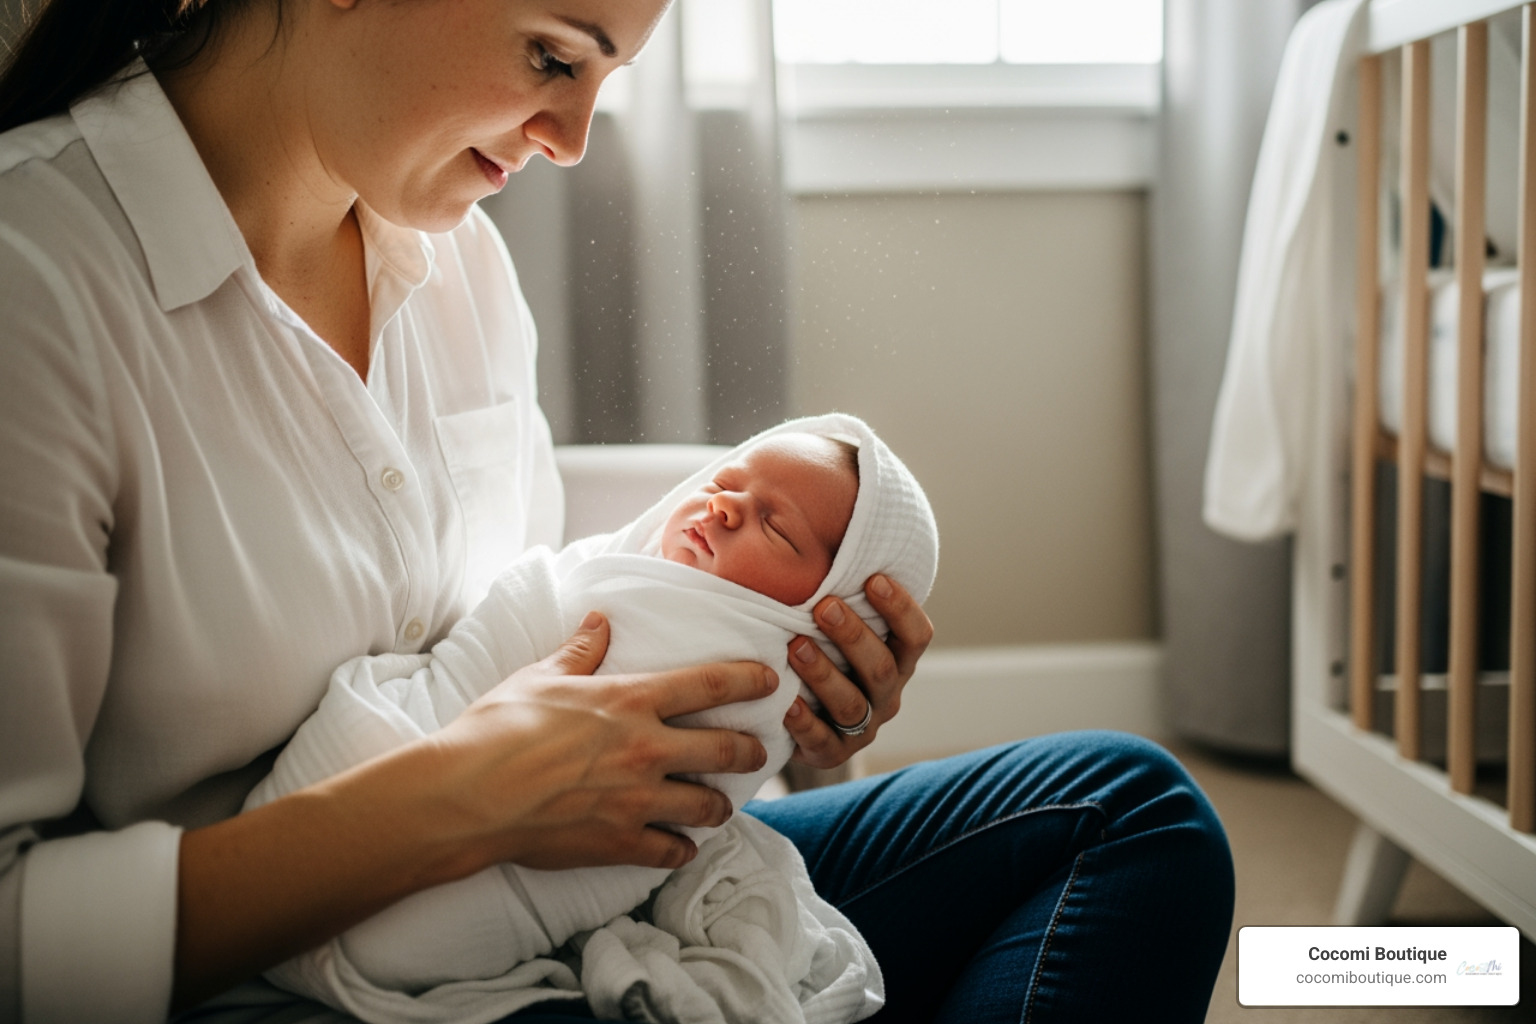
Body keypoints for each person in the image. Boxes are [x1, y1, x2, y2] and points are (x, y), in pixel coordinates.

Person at [0, 2, 1235, 1023]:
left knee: (1129, 817)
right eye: (552, 56)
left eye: (607, 78)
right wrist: (454, 798)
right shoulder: (36, 284)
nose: (575, 137)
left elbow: (545, 593)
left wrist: (776, 685)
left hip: (582, 887)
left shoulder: (459, 266)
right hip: (285, 977)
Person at [245, 415, 934, 1022]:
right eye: (726, 483)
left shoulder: (759, 667)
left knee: (1049, 779)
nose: (724, 508)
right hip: (263, 889)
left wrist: (815, 701)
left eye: (776, 527)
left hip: (436, 924)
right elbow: (553, 605)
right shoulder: (638, 578)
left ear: (834, 611)